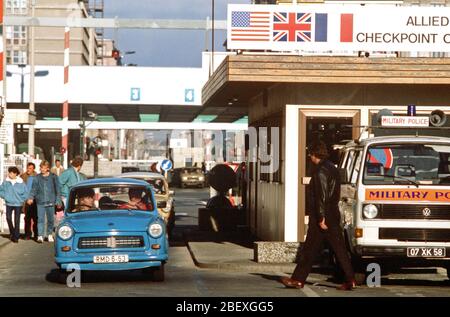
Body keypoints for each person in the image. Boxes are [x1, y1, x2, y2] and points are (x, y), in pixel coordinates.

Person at [280, 141, 356, 291]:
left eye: (311, 154)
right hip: (333, 214)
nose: (309, 157)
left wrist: (321, 218)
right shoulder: (333, 169)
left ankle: (298, 280)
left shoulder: (320, 171)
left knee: (309, 249)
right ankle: (350, 279)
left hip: (322, 216)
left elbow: (321, 196)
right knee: (340, 249)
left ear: (315, 154)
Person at [27, 160, 62, 243]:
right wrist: (30, 197)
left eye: (43, 168)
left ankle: (49, 234)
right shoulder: (37, 178)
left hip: (51, 201)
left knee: (50, 219)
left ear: (48, 168)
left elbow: (58, 189)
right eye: (41, 168)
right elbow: (33, 189)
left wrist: (58, 200)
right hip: (40, 201)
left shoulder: (53, 177)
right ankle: (40, 236)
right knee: (40, 219)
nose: (42, 169)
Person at [0, 167, 29, 243]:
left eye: (11, 173)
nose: (10, 174)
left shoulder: (21, 182)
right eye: (9, 172)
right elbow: (1, 190)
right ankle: (12, 233)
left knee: (17, 220)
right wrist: (5, 196)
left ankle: (16, 237)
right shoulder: (6, 182)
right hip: (9, 203)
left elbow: (26, 193)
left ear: (16, 173)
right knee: (8, 218)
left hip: (18, 204)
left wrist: (21, 200)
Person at [21, 162, 38, 240]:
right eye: (28, 168)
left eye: (30, 168)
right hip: (26, 201)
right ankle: (27, 234)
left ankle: (36, 234)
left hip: (35, 201)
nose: (28, 169)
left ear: (33, 169)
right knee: (27, 218)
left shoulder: (37, 176)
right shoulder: (23, 176)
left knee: (35, 218)